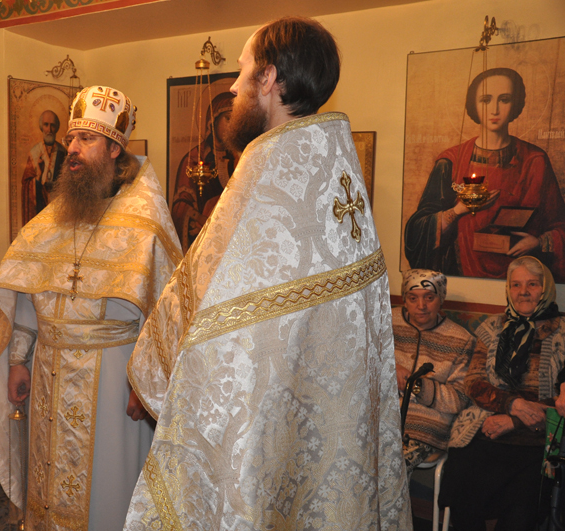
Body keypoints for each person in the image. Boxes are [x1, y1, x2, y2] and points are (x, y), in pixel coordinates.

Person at [123, 17, 411, 530]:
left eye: (242, 71)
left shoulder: (269, 171)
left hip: (263, 416)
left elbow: (200, 295)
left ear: (270, 78)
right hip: (333, 420)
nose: (233, 88)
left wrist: (150, 363)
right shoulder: (338, 171)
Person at [0, 85, 183, 530]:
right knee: (47, 485)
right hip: (48, 373)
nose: (71, 148)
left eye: (86, 139)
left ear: (114, 149)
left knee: (107, 492)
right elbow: (28, 297)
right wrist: (18, 360)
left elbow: (166, 311)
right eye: (71, 138)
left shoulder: (145, 223)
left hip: (114, 380)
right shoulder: (53, 219)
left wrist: (146, 385)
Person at [404, 67, 565, 283]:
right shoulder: (450, 161)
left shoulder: (535, 160)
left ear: (516, 103)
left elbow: (559, 225)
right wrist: (459, 210)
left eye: (504, 99)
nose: (494, 109)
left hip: (521, 278)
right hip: (461, 276)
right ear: (474, 105)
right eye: (486, 100)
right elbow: (417, 231)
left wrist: (538, 242)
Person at [439, 256, 565, 530]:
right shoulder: (493, 327)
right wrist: (511, 404)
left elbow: (561, 401)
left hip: (537, 440)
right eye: (516, 285)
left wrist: (515, 420)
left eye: (532, 284)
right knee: (462, 493)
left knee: (521, 512)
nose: (523, 292)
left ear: (546, 288)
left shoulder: (562, 332)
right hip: (487, 427)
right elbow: (473, 382)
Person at [393, 269, 475, 474]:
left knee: (390, 467)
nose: (421, 306)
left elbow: (459, 399)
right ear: (404, 300)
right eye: (413, 298)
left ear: (441, 300)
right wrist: (388, 369)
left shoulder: (461, 340)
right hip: (377, 420)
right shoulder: (385, 322)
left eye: (429, 298)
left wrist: (416, 386)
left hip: (424, 429)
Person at [171, 92, 238, 251]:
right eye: (228, 119)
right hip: (200, 239)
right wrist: (200, 219)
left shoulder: (238, 158)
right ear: (213, 121)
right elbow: (180, 206)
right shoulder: (194, 158)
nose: (232, 126)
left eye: (235, 121)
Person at [21, 109, 68, 223]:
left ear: (57, 127)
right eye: (46, 125)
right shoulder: (34, 152)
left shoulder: (63, 152)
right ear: (41, 127)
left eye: (52, 125)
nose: (49, 130)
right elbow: (26, 184)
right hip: (40, 204)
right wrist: (38, 177)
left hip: (57, 205)